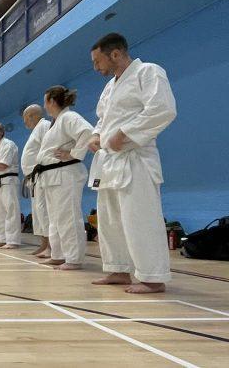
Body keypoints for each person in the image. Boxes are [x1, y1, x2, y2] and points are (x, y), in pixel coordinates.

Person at [87, 33, 176, 293]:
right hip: (109, 162)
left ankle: (152, 277)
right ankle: (118, 269)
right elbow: (103, 120)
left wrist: (125, 133)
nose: (96, 68)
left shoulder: (148, 72)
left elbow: (163, 109)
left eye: (97, 61)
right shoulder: (110, 87)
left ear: (115, 54)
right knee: (110, 220)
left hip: (136, 159)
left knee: (140, 218)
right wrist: (95, 134)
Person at [37, 85, 93, 271]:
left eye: (45, 101)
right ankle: (58, 254)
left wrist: (74, 153)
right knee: (55, 218)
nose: (44, 106)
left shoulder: (69, 117)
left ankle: (74, 258)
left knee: (68, 216)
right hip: (52, 175)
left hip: (66, 173)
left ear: (52, 101)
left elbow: (88, 132)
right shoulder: (56, 121)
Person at [21, 104, 53, 257]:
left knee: (44, 211)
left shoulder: (44, 126)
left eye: (25, 118)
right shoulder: (36, 130)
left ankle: (51, 246)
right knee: (38, 213)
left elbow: (48, 149)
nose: (24, 122)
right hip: (33, 178)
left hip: (41, 175)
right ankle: (44, 244)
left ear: (32, 115)